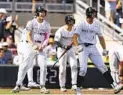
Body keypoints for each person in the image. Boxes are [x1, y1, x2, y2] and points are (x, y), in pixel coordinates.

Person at [72, 7, 123, 94]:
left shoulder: (96, 25)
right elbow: (74, 37)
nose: (95, 14)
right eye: (93, 13)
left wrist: (104, 49)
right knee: (83, 69)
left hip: (93, 47)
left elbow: (101, 37)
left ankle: (114, 85)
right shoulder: (81, 24)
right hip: (83, 47)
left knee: (102, 67)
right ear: (89, 14)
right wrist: (77, 47)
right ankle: (78, 89)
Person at [12, 6, 51, 94]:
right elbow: (28, 35)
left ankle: (42, 86)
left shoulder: (47, 24)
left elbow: (47, 37)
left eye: (44, 12)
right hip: (30, 45)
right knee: (25, 65)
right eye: (41, 12)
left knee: (43, 66)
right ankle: (18, 85)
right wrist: (33, 44)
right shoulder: (31, 22)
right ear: (37, 13)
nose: (43, 14)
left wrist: (43, 46)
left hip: (41, 46)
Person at [54, 15, 78, 92]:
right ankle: (62, 85)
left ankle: (74, 84)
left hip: (70, 49)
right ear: (67, 21)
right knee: (62, 69)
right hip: (62, 50)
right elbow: (56, 41)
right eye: (70, 20)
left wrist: (75, 45)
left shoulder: (75, 29)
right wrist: (63, 46)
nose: (72, 22)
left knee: (74, 65)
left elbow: (76, 39)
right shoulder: (60, 30)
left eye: (72, 20)